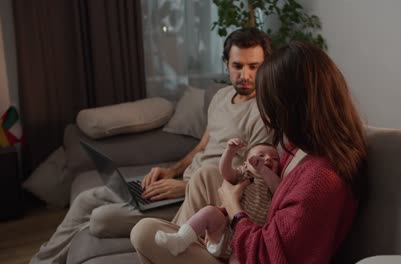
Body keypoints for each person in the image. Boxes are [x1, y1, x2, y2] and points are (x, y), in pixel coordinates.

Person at [30, 27, 273, 264]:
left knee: (100, 220)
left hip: (202, 197)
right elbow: (201, 147)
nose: (245, 75)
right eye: (238, 66)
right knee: (85, 200)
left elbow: (250, 178)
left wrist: (184, 187)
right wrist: (172, 171)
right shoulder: (221, 97)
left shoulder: (264, 113)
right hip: (177, 185)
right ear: (226, 64)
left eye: (254, 67)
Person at [130, 41, 368, 263]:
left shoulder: (319, 179)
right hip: (245, 234)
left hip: (249, 253)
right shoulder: (300, 147)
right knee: (205, 175)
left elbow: (267, 254)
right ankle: (180, 242)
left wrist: (233, 206)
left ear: (289, 106)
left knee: (144, 233)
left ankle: (174, 247)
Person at [154, 138, 280, 260]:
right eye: (261, 156)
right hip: (224, 230)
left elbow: (279, 190)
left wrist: (263, 169)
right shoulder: (243, 174)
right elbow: (225, 171)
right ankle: (181, 240)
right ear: (246, 164)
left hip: (245, 241)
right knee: (209, 212)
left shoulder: (272, 184)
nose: (268, 159)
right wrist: (230, 151)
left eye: (275, 159)